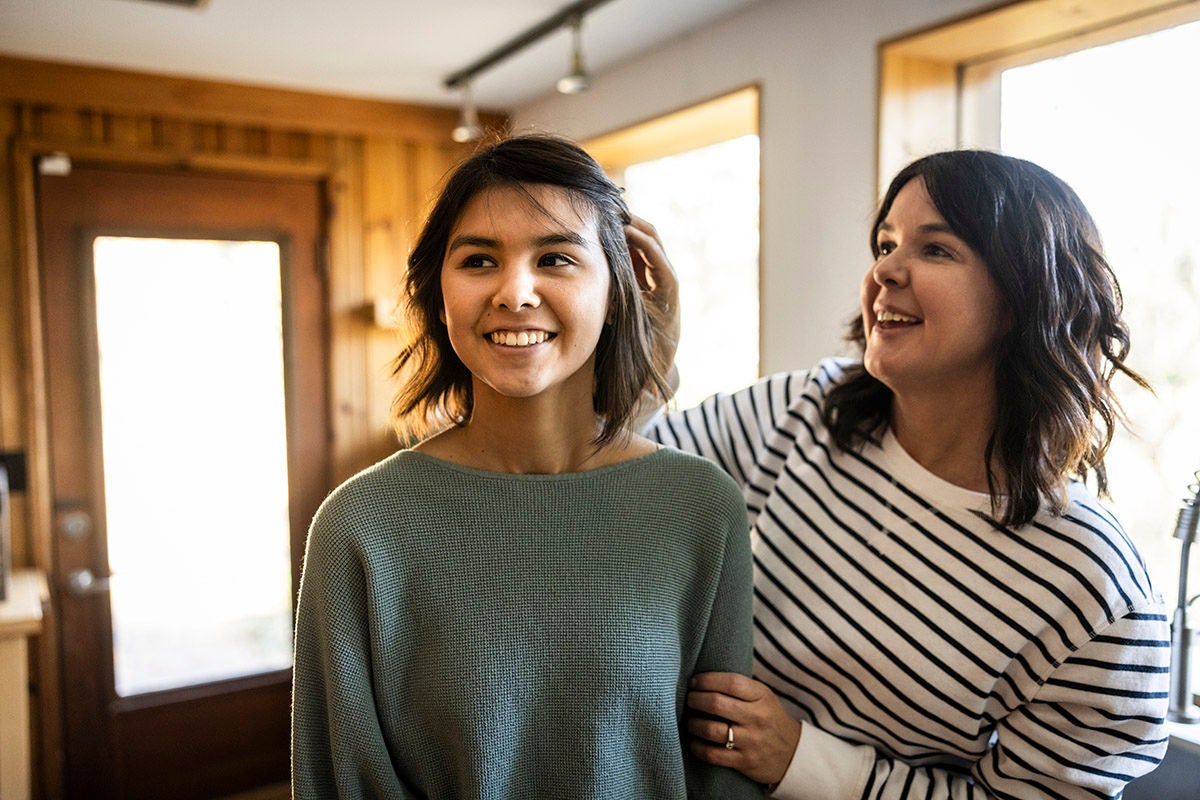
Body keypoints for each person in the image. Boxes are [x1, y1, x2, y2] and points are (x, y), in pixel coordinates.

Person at [629, 149, 1171, 799]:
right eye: (886, 243)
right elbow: (624, 479)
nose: (884, 269)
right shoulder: (807, 409)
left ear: (1027, 294)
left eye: (936, 250)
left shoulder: (1096, 587)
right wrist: (649, 358)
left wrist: (802, 759)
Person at [291, 134, 764, 799]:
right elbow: (336, 781)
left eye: (556, 258)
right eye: (479, 259)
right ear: (439, 292)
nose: (515, 292)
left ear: (615, 286)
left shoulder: (700, 507)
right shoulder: (360, 526)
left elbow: (722, 774)